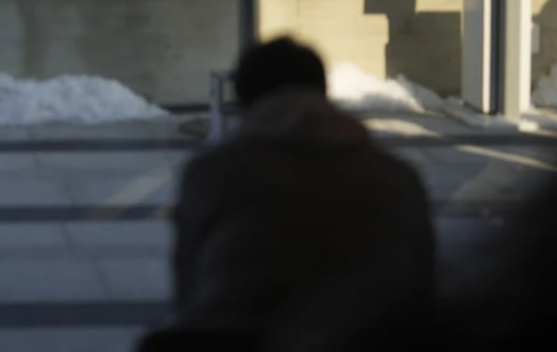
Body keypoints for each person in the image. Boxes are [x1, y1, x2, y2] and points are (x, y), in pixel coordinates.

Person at [172, 36, 435, 330]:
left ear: (244, 100)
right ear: (322, 91)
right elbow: (422, 292)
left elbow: (189, 293)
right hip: (370, 348)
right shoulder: (396, 178)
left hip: (238, 345)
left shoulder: (211, 176)